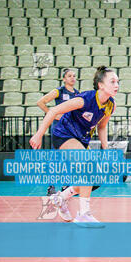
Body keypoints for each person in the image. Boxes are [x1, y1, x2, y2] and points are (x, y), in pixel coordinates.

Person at [29, 66, 118, 227]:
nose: (116, 84)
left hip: (81, 140)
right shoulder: (84, 99)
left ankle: (61, 198)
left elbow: (102, 127)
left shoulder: (110, 105)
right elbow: (53, 110)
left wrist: (106, 149)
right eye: (112, 81)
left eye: (117, 81)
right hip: (64, 135)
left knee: (95, 177)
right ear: (101, 85)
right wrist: (39, 134)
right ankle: (84, 214)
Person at [37, 68, 79, 196]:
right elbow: (40, 102)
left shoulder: (77, 93)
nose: (72, 78)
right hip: (58, 130)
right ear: (64, 79)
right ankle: (51, 187)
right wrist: (54, 115)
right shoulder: (58, 91)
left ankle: (66, 186)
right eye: (69, 76)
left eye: (74, 76)